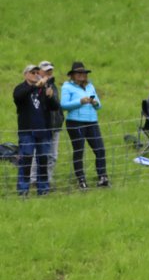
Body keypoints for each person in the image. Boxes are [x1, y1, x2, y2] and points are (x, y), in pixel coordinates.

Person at [60, 61, 109, 188]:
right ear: (72, 75)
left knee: (100, 149)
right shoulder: (67, 87)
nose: (82, 75)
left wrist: (95, 103)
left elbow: (99, 105)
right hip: (75, 122)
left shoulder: (90, 86)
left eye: (84, 73)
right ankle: (81, 179)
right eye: (78, 73)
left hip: (92, 121)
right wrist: (80, 102)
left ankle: (102, 176)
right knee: (79, 150)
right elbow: (64, 105)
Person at [13, 64, 58, 197]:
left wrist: (50, 96)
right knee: (26, 160)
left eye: (37, 72)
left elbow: (55, 107)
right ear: (25, 74)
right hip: (27, 131)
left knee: (43, 161)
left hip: (44, 130)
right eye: (32, 72)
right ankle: (23, 190)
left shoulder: (43, 89)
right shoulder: (20, 88)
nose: (35, 75)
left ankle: (43, 189)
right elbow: (18, 97)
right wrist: (35, 86)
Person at [37, 61, 62, 189]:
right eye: (46, 70)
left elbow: (57, 105)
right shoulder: (35, 86)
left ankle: (48, 179)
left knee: (53, 155)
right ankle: (33, 180)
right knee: (39, 154)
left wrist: (60, 118)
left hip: (55, 125)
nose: (49, 72)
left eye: (50, 70)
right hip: (42, 125)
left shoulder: (53, 85)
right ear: (39, 71)